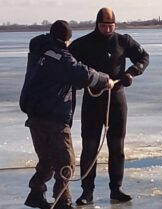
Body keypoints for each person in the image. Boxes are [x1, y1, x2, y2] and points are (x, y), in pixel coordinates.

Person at [20, 20, 114, 209]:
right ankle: (63, 200)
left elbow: (62, 75)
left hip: (35, 114)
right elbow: (83, 74)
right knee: (66, 161)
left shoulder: (40, 48)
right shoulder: (61, 57)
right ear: (67, 39)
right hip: (53, 116)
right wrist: (106, 80)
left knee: (47, 159)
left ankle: (36, 193)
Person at [69, 7, 149, 205]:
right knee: (89, 147)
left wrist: (131, 72)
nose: (107, 30)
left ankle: (116, 189)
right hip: (93, 99)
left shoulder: (123, 41)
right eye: (103, 26)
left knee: (117, 146)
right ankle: (87, 192)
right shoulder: (83, 43)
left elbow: (144, 57)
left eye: (110, 26)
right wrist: (79, 81)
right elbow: (68, 63)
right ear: (97, 25)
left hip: (117, 98)